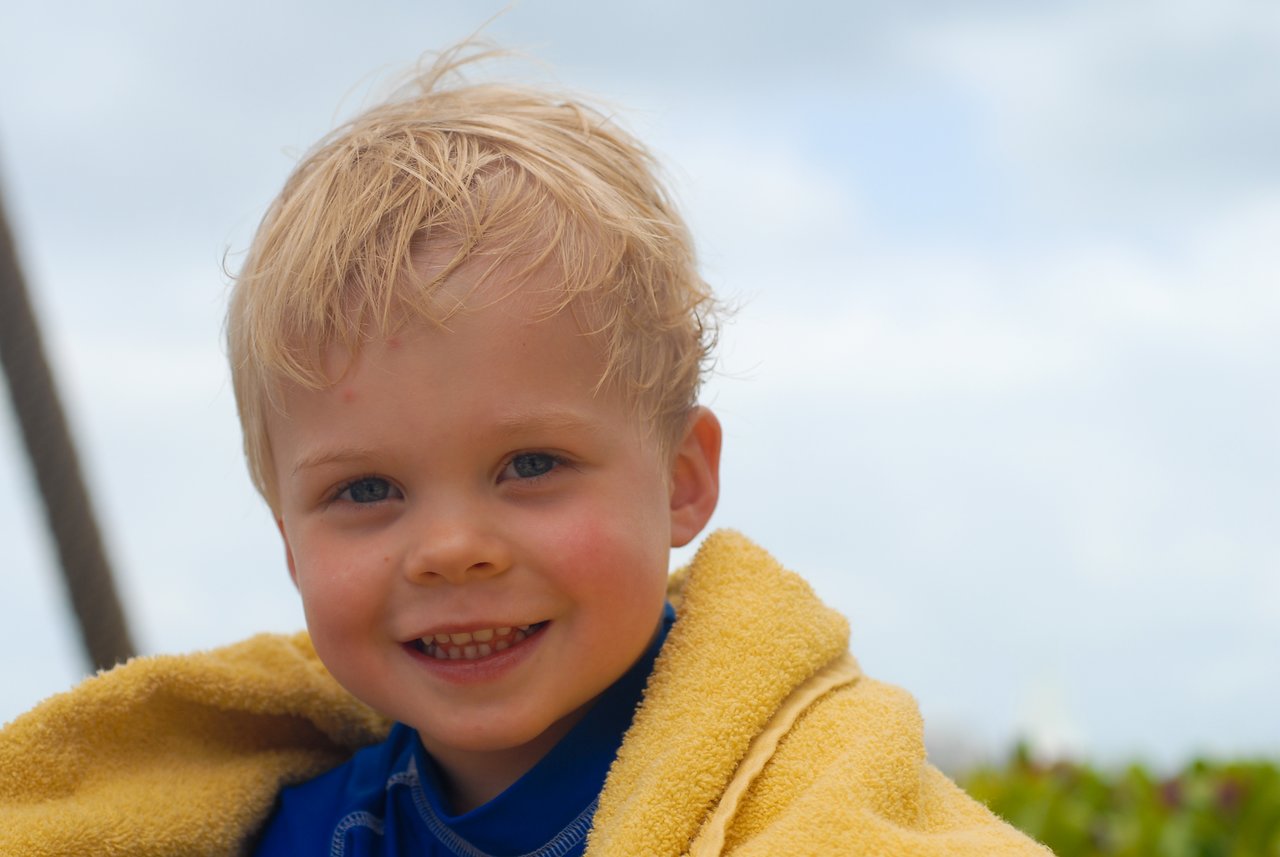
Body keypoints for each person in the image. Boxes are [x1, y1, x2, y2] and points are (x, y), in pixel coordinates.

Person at [0, 46, 1050, 856]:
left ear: (681, 478)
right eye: (367, 489)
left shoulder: (802, 797)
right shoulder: (303, 833)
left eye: (531, 466)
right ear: (287, 539)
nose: (450, 548)